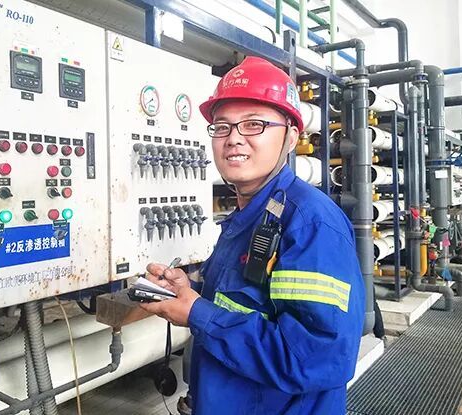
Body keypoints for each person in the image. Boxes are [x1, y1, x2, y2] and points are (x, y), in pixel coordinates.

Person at [140, 56, 365, 415]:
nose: (233, 139)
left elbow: (314, 357)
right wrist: (188, 291)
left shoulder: (311, 225)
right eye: (222, 127)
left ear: (291, 137)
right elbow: (243, 303)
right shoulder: (248, 217)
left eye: (254, 124)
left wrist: (198, 313)